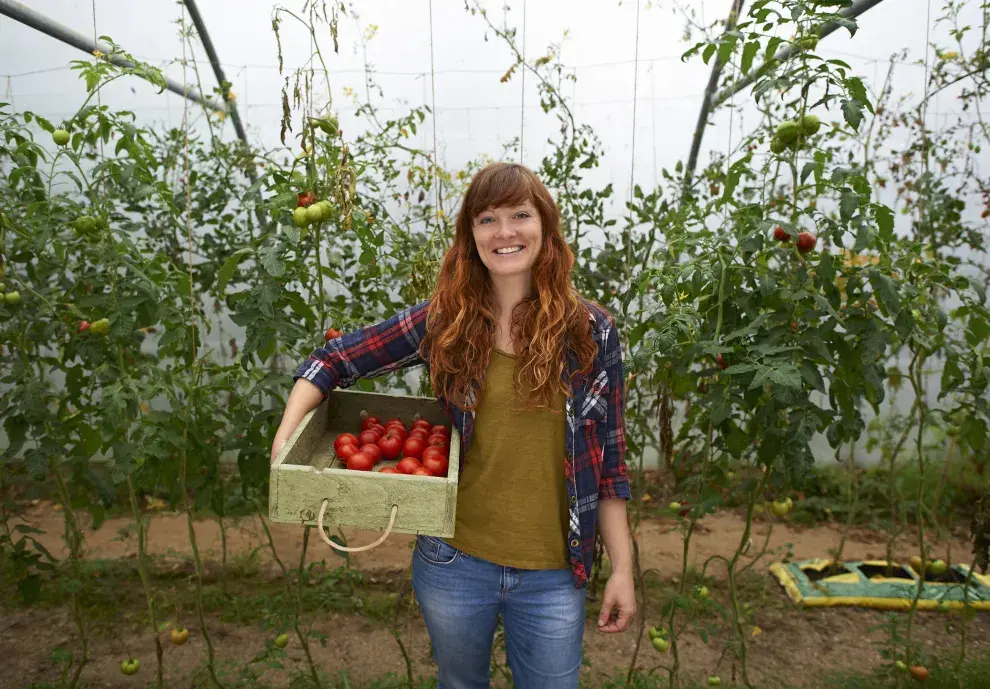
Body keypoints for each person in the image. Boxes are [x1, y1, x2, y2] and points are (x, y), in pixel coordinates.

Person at [271, 162, 635, 689]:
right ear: (471, 235)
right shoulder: (450, 320)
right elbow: (334, 360)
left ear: (545, 227)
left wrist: (621, 569)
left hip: (555, 570)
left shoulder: (590, 333)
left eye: (520, 215)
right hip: (455, 563)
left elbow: (611, 466)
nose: (504, 231)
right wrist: (287, 436)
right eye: (487, 218)